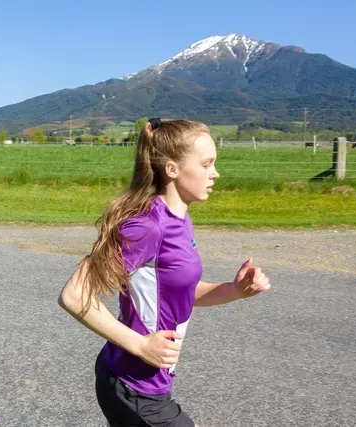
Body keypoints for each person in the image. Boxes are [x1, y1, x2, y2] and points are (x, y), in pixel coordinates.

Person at [58, 118, 271, 427]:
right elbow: (74, 296)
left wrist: (235, 290)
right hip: (133, 386)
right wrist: (141, 345)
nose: (215, 173)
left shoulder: (180, 220)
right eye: (206, 164)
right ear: (172, 169)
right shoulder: (147, 226)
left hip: (148, 382)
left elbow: (181, 292)